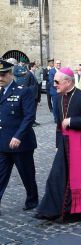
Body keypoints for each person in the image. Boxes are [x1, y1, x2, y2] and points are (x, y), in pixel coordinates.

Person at [35, 67, 81, 222]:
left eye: (56, 82)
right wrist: (58, 143)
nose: (54, 84)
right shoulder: (58, 98)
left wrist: (72, 121)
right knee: (57, 176)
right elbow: (59, 123)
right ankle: (51, 210)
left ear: (67, 82)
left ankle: (80, 210)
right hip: (65, 143)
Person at [0, 60, 39, 215]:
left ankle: (32, 199)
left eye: (3, 74)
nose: (0, 78)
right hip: (3, 142)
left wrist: (18, 136)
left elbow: (29, 116)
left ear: (11, 74)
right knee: (1, 174)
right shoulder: (1, 92)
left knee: (27, 173)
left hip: (21, 143)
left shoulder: (23, 91)